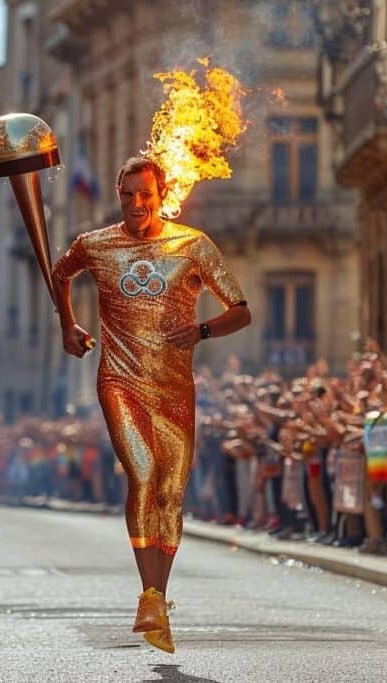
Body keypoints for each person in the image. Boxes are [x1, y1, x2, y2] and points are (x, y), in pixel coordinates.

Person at [52, 156, 251, 653]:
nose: (137, 204)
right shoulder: (97, 245)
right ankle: (148, 594)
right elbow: (59, 273)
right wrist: (67, 326)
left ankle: (157, 599)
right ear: (118, 195)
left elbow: (241, 311)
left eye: (146, 195)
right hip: (119, 379)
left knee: (170, 491)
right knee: (142, 474)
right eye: (128, 196)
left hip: (174, 387)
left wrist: (202, 330)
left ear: (162, 194)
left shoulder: (192, 244)